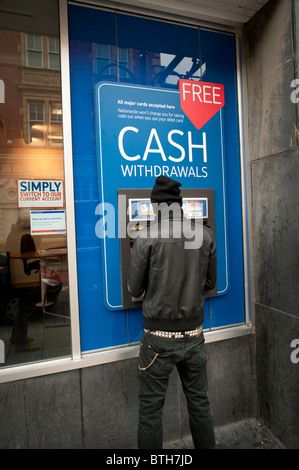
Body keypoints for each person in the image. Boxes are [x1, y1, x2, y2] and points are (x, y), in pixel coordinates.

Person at [128, 175, 216, 449]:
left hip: (157, 341)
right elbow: (210, 283)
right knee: (200, 404)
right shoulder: (205, 234)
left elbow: (134, 288)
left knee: (151, 413)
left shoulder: (145, 237)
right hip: (194, 337)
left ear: (157, 207)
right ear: (179, 205)